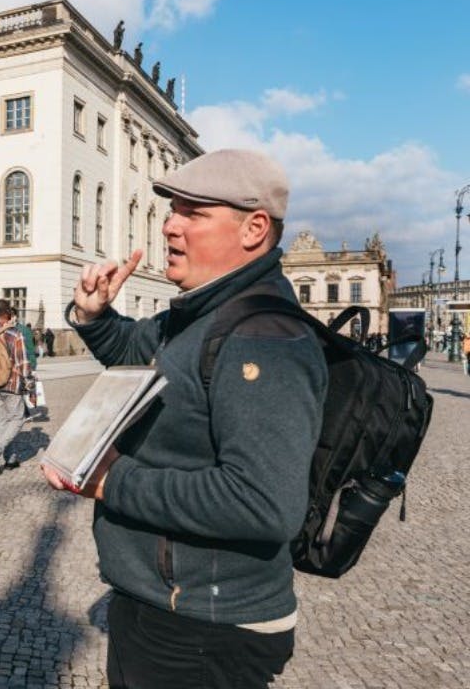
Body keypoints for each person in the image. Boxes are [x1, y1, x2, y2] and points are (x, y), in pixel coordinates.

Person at [42, 149, 327, 688]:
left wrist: (110, 480)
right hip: (165, 607)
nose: (170, 224)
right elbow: (138, 353)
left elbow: (263, 504)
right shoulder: (200, 312)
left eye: (193, 212)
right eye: (173, 209)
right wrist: (93, 315)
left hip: (206, 627)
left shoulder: (262, 337)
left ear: (254, 229)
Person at [0, 299, 33, 476]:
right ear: (8, 313)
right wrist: (30, 385)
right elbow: (23, 362)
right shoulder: (15, 334)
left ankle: (10, 459)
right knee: (18, 418)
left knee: (3, 420)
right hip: (11, 383)